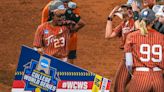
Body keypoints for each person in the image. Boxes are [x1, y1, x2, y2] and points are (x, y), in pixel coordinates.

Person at [125, 8, 164, 92]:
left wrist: (133, 75)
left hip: (140, 77)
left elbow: (129, 64)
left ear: (140, 20)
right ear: (153, 21)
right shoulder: (162, 37)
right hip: (158, 79)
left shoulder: (131, 36)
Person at [105, 4, 135, 92]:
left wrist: (133, 15)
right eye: (122, 10)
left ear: (130, 11)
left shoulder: (135, 21)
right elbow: (108, 35)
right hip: (127, 55)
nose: (121, 11)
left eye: (124, 10)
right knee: (119, 85)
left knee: (120, 85)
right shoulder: (123, 24)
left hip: (135, 55)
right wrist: (110, 17)